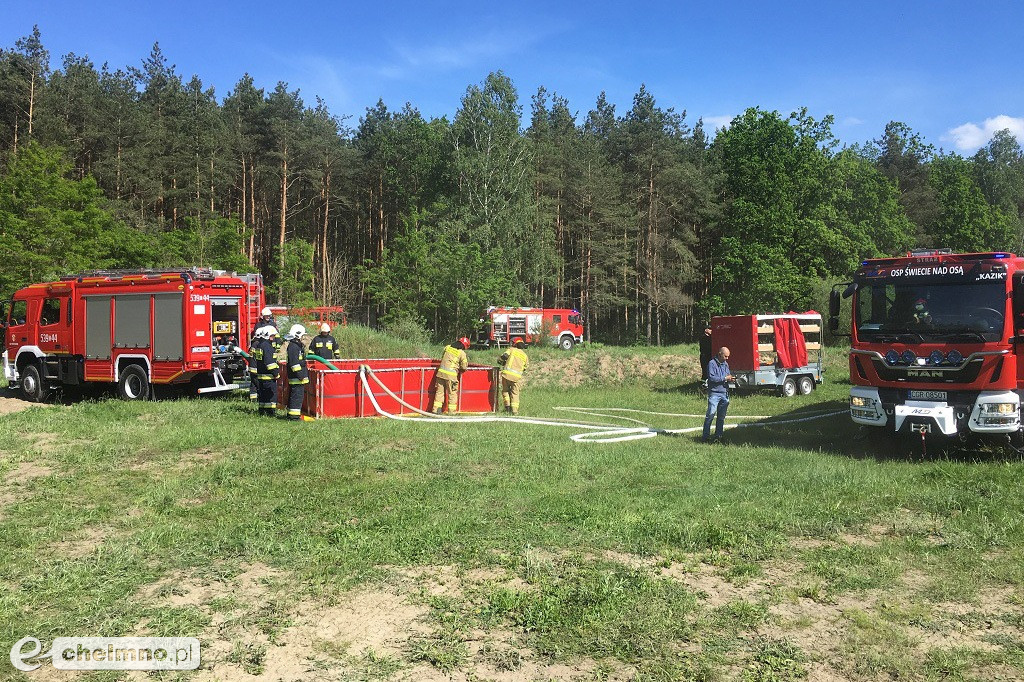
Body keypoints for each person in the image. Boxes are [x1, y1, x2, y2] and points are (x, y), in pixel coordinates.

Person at [702, 346, 735, 443]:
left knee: (721, 417)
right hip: (714, 393)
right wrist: (725, 378)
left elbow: (726, 376)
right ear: (720, 354)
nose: (727, 358)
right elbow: (712, 378)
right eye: (725, 356)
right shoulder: (711, 364)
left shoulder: (726, 364)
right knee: (710, 415)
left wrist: (731, 379)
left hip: (724, 393)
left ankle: (718, 436)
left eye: (728, 357)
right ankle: (705, 437)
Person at [432, 337, 471, 415]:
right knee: (452, 393)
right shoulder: (461, 353)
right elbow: (464, 367)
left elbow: (443, 358)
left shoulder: (447, 347)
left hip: (440, 374)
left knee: (439, 392)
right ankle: (452, 412)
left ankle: (436, 410)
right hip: (451, 376)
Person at [248, 327, 280, 417]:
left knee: (263, 395)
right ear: (269, 336)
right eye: (273, 335)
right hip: (268, 375)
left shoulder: (259, 345)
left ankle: (262, 411)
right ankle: (270, 413)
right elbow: (269, 363)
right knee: (270, 395)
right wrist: (276, 373)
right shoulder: (267, 346)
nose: (273, 338)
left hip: (261, 374)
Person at [282, 324, 309, 420]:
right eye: (302, 335)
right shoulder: (293, 347)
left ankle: (292, 414)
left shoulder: (296, 346)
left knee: (296, 396)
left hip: (297, 376)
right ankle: (294, 417)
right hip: (296, 377)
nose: (303, 337)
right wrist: (300, 375)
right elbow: (294, 363)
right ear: (298, 335)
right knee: (296, 397)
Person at [498, 338, 530, 416]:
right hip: (516, 378)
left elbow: (504, 356)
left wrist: (501, 362)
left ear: (515, 344)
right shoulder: (525, 356)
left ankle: (507, 407)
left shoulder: (511, 350)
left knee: (505, 391)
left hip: (506, 375)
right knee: (515, 394)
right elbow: (526, 367)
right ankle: (515, 411)